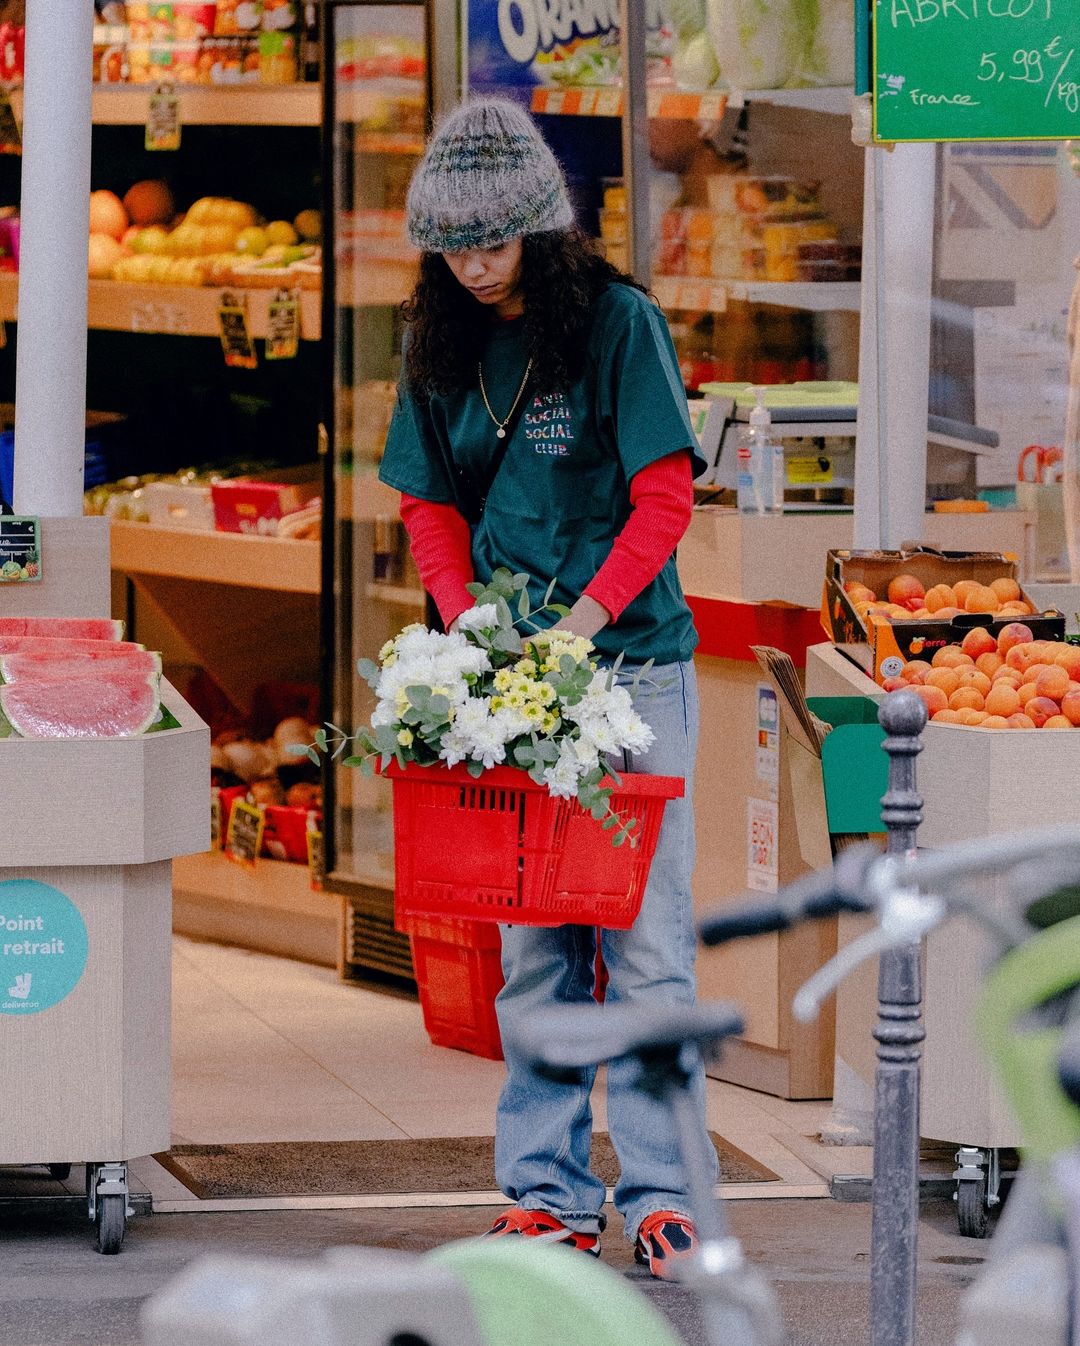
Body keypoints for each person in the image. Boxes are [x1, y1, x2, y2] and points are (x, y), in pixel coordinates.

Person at [377, 97, 716, 1281]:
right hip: (507, 688)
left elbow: (663, 500)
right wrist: (466, 618)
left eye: (494, 243)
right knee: (534, 947)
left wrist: (577, 627)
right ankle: (544, 1193)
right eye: (453, 247)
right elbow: (425, 499)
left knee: (650, 943)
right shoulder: (438, 338)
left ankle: (670, 1197)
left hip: (633, 667)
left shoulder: (618, 324)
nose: (472, 267)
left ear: (540, 230)